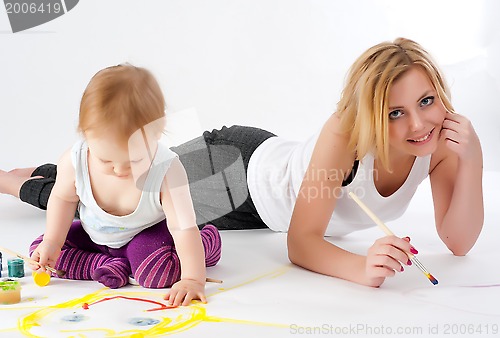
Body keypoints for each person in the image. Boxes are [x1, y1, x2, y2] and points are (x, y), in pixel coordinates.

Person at [1, 38, 483, 288]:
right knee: (111, 194)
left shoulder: (440, 143)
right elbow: (301, 243)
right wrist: (362, 269)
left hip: (264, 192)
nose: (418, 123)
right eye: (395, 112)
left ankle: (44, 171)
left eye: (427, 100)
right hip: (239, 172)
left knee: (119, 170)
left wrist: (474, 156)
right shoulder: (346, 132)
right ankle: (11, 180)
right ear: (371, 112)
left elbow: (458, 242)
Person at [16, 64, 222, 307]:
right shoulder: (74, 161)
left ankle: (207, 240)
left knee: (155, 275)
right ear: (86, 135)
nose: (119, 170)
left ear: (158, 133)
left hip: (147, 238)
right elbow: (62, 199)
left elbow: (183, 228)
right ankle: (104, 266)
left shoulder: (167, 171)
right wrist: (52, 241)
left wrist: (192, 278)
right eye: (105, 160)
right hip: (96, 239)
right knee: (42, 252)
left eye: (135, 161)